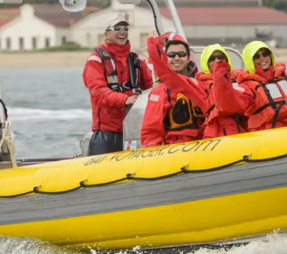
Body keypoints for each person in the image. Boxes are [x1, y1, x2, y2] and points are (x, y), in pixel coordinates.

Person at [83, 16, 154, 155]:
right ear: (107, 34)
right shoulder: (95, 60)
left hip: (134, 130)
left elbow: (152, 87)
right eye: (117, 28)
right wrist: (125, 99)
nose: (122, 31)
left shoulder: (136, 60)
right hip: (107, 131)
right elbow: (98, 92)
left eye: (125, 28)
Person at [140, 30, 208, 147]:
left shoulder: (200, 85)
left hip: (203, 145)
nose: (176, 58)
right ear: (166, 58)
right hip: (176, 148)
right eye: (171, 55)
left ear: (188, 58)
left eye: (181, 54)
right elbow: (151, 131)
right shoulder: (160, 91)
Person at [196, 44, 249, 138]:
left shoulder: (241, 79)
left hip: (244, 128)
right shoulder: (200, 85)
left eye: (220, 57)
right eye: (212, 58)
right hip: (219, 134)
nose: (217, 61)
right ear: (206, 63)